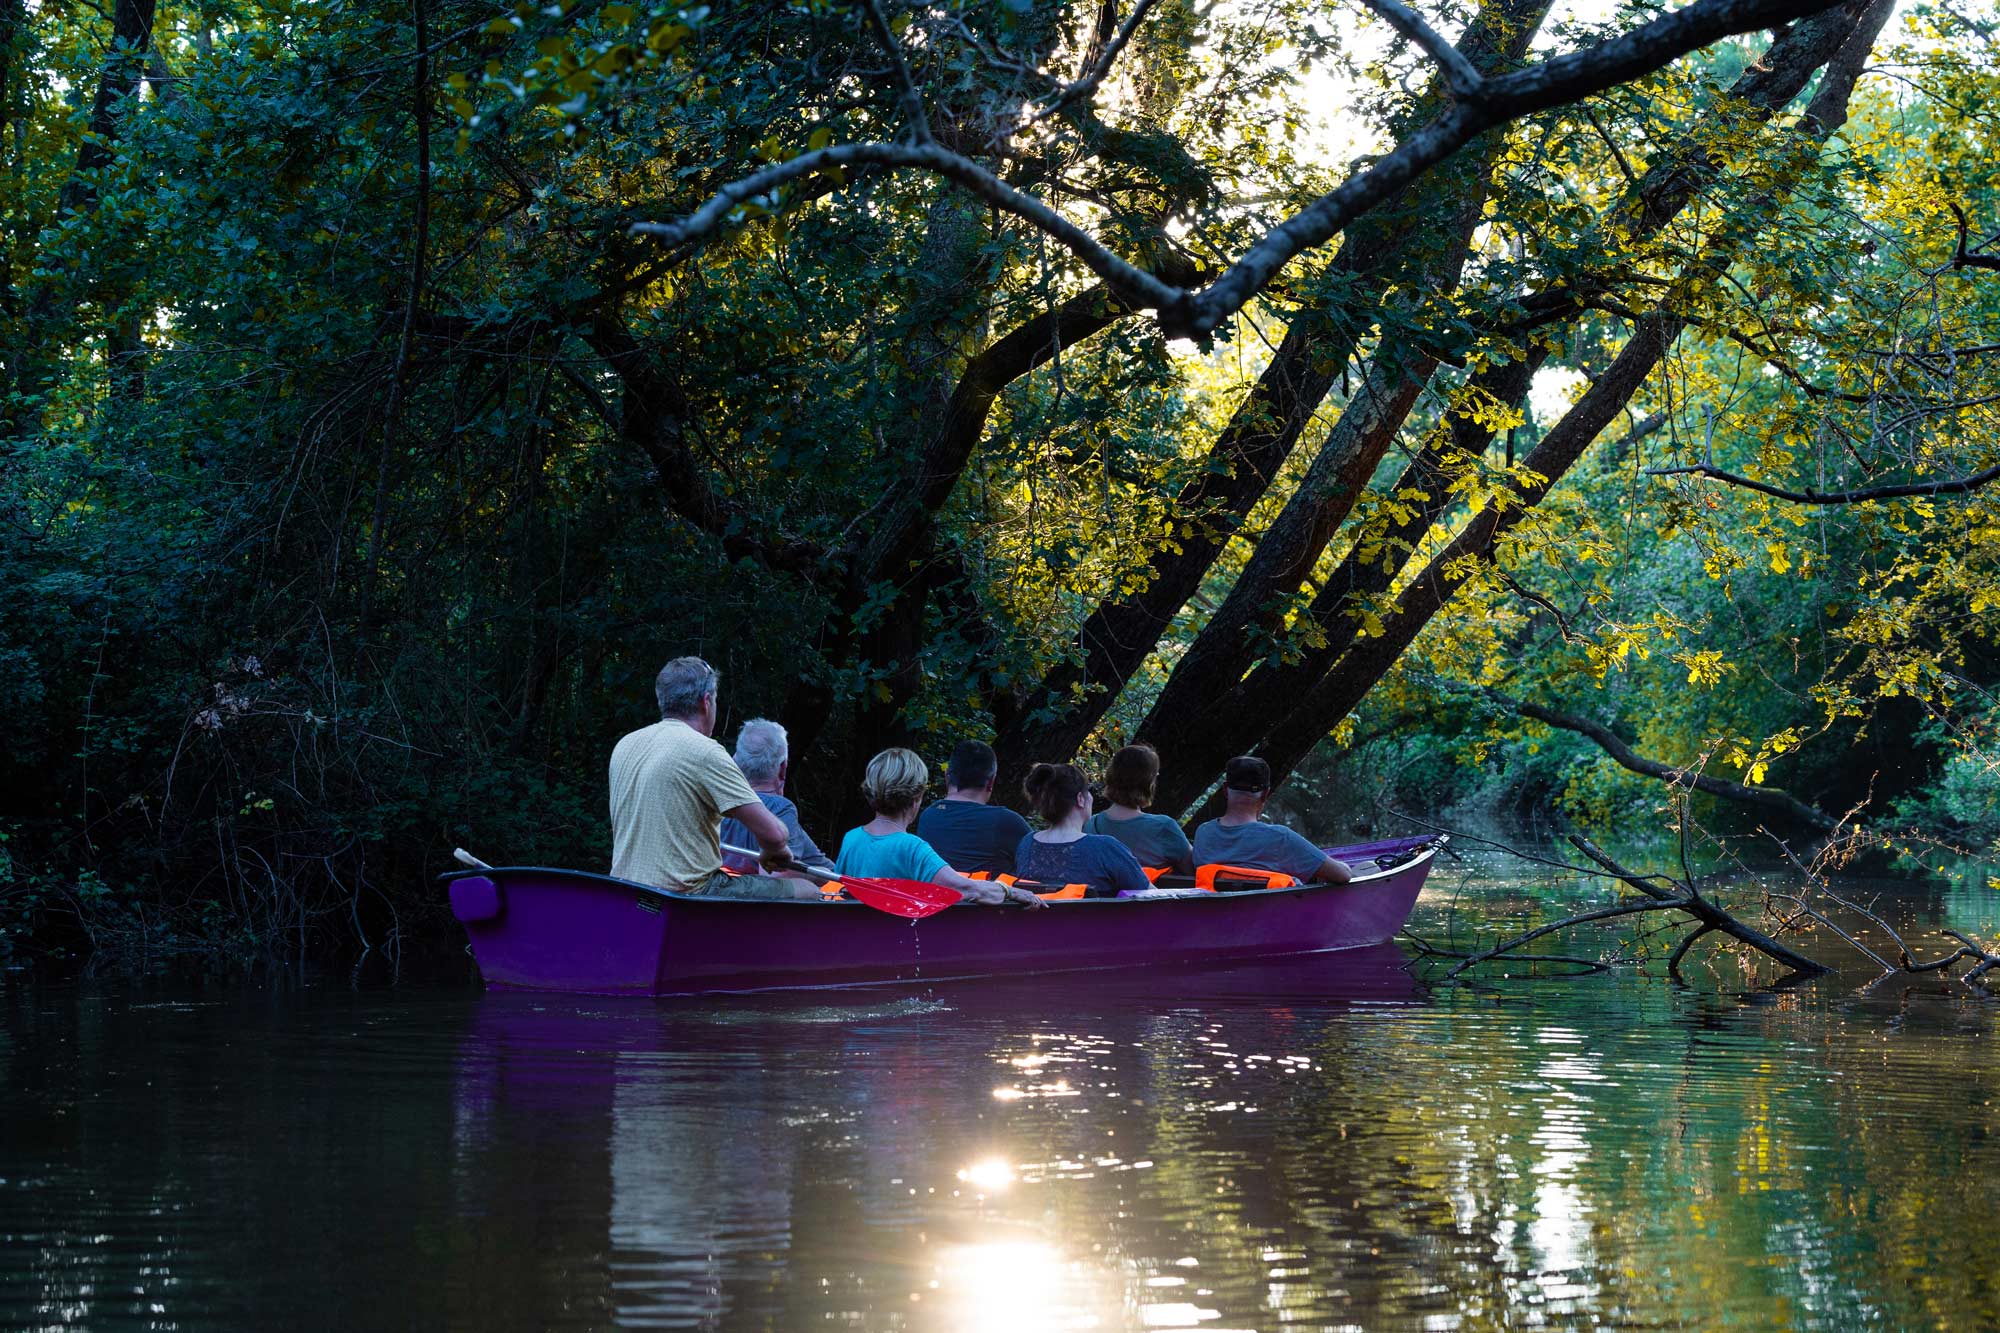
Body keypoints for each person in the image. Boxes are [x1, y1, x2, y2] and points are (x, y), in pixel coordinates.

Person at [608, 657, 820, 900]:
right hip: (689, 894)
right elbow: (775, 834)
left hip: (626, 888)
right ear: (706, 702)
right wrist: (776, 852)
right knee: (808, 891)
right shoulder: (706, 752)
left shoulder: (625, 746)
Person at [837, 748, 1045, 908]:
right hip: (902, 946)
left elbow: (837, 893)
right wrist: (1009, 891)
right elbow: (968, 890)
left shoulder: (851, 839)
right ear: (916, 796)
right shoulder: (911, 848)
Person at [1190, 755, 1352, 884]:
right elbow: (1342, 875)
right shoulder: (1280, 839)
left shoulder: (1204, 833)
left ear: (1225, 790)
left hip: (1216, 921)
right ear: (1265, 793)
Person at [718, 718, 837, 877]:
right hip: (751, 896)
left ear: (734, 762)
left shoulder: (718, 802)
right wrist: (818, 875)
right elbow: (776, 876)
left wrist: (823, 869)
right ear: (783, 768)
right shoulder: (779, 808)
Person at [1014, 762, 1152, 899]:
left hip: (1038, 921)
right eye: (1088, 792)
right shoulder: (1105, 848)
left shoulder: (1026, 845)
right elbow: (1151, 896)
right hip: (1097, 921)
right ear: (1080, 799)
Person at [913, 740, 1032, 874]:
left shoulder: (928, 816)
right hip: (984, 894)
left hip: (935, 894)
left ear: (947, 776)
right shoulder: (1006, 822)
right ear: (991, 781)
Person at [1082, 742, 1195, 874]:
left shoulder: (1089, 826)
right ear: (1149, 782)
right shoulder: (1163, 827)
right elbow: (1193, 872)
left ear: (1111, 776)